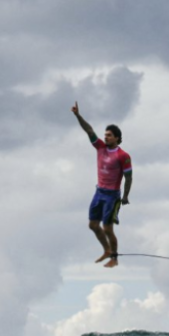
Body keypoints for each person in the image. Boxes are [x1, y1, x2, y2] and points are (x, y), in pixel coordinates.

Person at [71, 101, 132, 268]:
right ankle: (106, 250)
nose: (106, 137)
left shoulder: (123, 155)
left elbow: (129, 177)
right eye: (105, 135)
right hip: (99, 192)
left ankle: (114, 257)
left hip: (112, 196)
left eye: (110, 135)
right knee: (92, 225)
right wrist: (78, 116)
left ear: (118, 138)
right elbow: (89, 130)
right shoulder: (100, 147)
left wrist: (125, 196)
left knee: (107, 228)